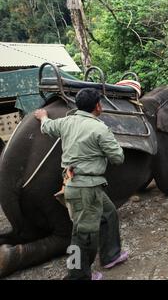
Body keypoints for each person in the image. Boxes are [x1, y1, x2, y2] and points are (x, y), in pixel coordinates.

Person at [34, 88, 128, 280]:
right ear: (98, 106)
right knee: (83, 233)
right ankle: (77, 275)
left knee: (109, 213)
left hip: (78, 184)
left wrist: (43, 116)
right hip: (86, 188)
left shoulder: (66, 122)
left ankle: (111, 255)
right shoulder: (100, 128)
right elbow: (118, 158)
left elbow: (47, 127)